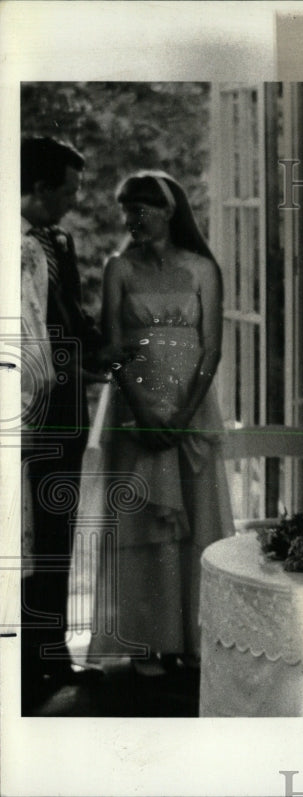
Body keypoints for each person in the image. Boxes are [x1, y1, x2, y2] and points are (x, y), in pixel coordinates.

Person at [87, 171, 234, 676]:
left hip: (192, 408)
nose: (132, 221)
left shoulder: (201, 270)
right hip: (135, 409)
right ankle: (147, 641)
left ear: (169, 213)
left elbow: (212, 348)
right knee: (143, 525)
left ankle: (192, 641)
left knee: (196, 522)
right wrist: (144, 412)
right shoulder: (118, 269)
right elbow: (111, 347)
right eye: (127, 211)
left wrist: (184, 416)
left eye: (142, 210)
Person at [20, 136, 107, 708]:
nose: (74, 201)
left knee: (57, 536)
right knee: (25, 543)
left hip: (67, 408)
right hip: (28, 411)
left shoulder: (60, 242)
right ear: (42, 186)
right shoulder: (15, 246)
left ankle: (53, 655)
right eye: (70, 189)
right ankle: (26, 665)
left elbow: (71, 317)